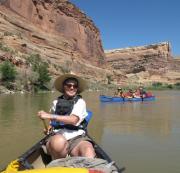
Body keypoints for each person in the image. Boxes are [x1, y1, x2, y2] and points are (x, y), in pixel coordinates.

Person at [37, 74, 96, 160]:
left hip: (76, 137)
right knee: (58, 142)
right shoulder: (55, 102)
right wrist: (49, 128)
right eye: (69, 85)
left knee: (89, 152)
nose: (72, 88)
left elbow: (74, 120)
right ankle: (58, 164)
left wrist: (48, 115)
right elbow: (52, 122)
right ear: (64, 87)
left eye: (75, 86)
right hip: (58, 135)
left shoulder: (80, 102)